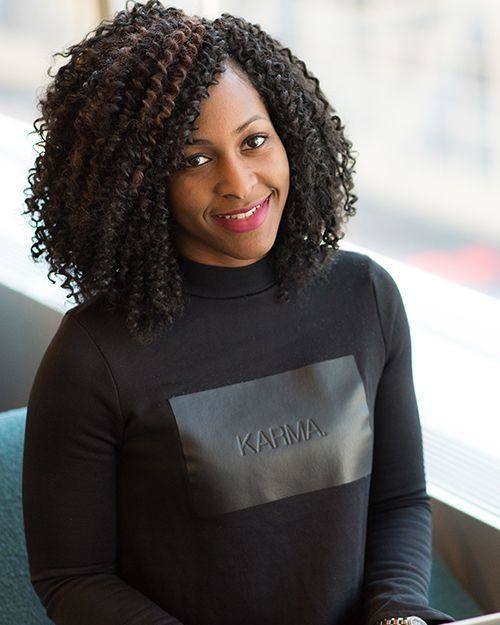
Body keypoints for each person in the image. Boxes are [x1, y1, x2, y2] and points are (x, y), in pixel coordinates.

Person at [21, 2, 456, 625]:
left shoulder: (364, 295)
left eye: (254, 141)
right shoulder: (93, 355)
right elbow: (72, 578)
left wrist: (398, 614)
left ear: (290, 137)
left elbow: (400, 501)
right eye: (194, 159)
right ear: (139, 182)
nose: (239, 182)